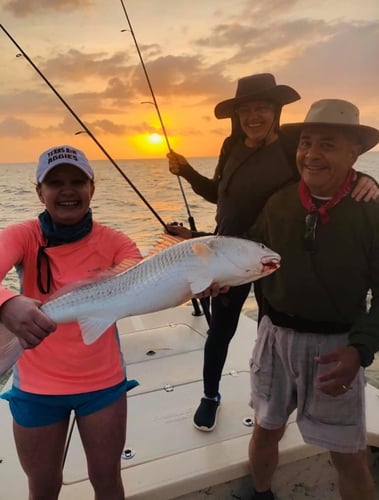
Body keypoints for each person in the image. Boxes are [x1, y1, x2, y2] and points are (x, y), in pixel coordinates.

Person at [167, 73, 379, 432]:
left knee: (272, 324)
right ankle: (210, 395)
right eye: (245, 109)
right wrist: (186, 172)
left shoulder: (289, 144)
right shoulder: (230, 147)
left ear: (277, 110)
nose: (254, 116)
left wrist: (367, 181)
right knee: (221, 329)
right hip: (229, 253)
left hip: (274, 252)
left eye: (262, 108)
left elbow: (329, 162)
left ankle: (277, 403)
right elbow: (220, 195)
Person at [246, 99, 379, 500]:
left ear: (354, 152)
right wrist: (211, 274)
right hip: (274, 337)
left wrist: (361, 349)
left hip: (335, 347)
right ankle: (261, 493)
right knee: (265, 427)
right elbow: (250, 255)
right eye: (305, 142)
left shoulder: (371, 211)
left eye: (327, 144)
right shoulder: (279, 201)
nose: (312, 154)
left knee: (349, 454)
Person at [0, 145, 144, 500]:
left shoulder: (117, 242)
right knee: (44, 486)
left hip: (103, 385)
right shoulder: (23, 236)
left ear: (92, 188)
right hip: (37, 387)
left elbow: (145, 285)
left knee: (107, 478)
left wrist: (198, 282)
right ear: (39, 191)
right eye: (55, 182)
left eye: (78, 181)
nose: (67, 191)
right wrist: (7, 302)